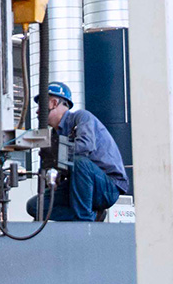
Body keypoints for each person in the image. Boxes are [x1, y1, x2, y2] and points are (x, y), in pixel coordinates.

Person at [22, 82, 129, 221]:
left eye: (41, 106)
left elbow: (85, 146)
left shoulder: (81, 117)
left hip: (107, 187)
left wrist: (57, 157)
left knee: (79, 162)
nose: (37, 112)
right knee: (35, 206)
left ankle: (83, 221)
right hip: (79, 187)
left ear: (54, 103)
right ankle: (91, 216)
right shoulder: (53, 135)